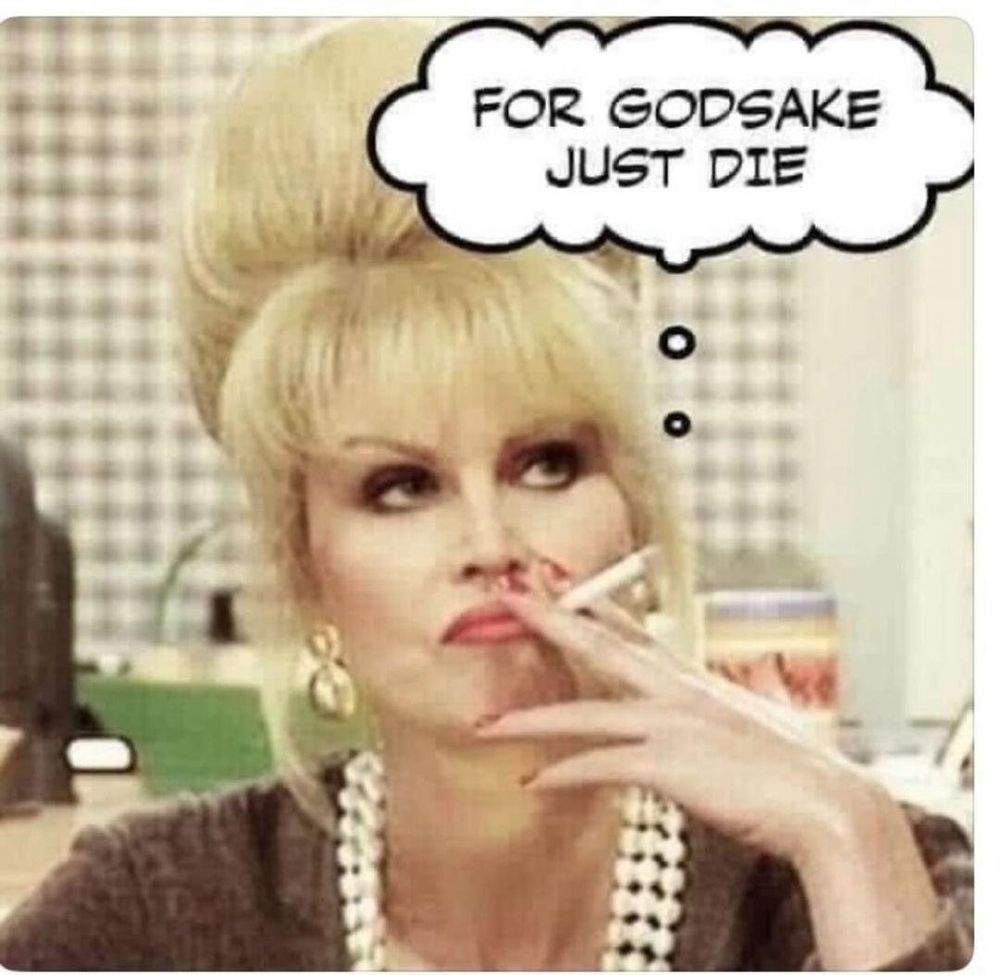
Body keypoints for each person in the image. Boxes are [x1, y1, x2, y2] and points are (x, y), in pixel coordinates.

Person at [0, 19, 972, 972]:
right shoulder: (150, 915)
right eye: (402, 487)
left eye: (546, 463)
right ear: (303, 564)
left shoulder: (857, 880)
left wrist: (847, 831)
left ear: (634, 506)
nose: (491, 540)